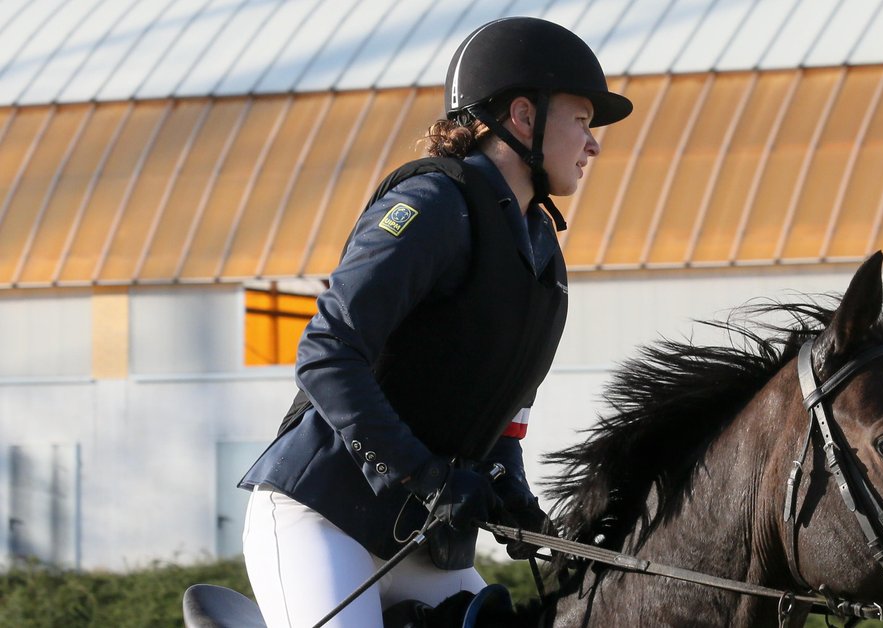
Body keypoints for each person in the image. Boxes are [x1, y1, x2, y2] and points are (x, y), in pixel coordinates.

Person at [237, 16, 632, 628]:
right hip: (323, 519)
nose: (594, 143)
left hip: (421, 542)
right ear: (523, 117)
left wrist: (513, 495)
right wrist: (423, 474)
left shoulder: (540, 250)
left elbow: (503, 415)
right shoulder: (429, 208)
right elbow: (327, 353)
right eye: (581, 120)